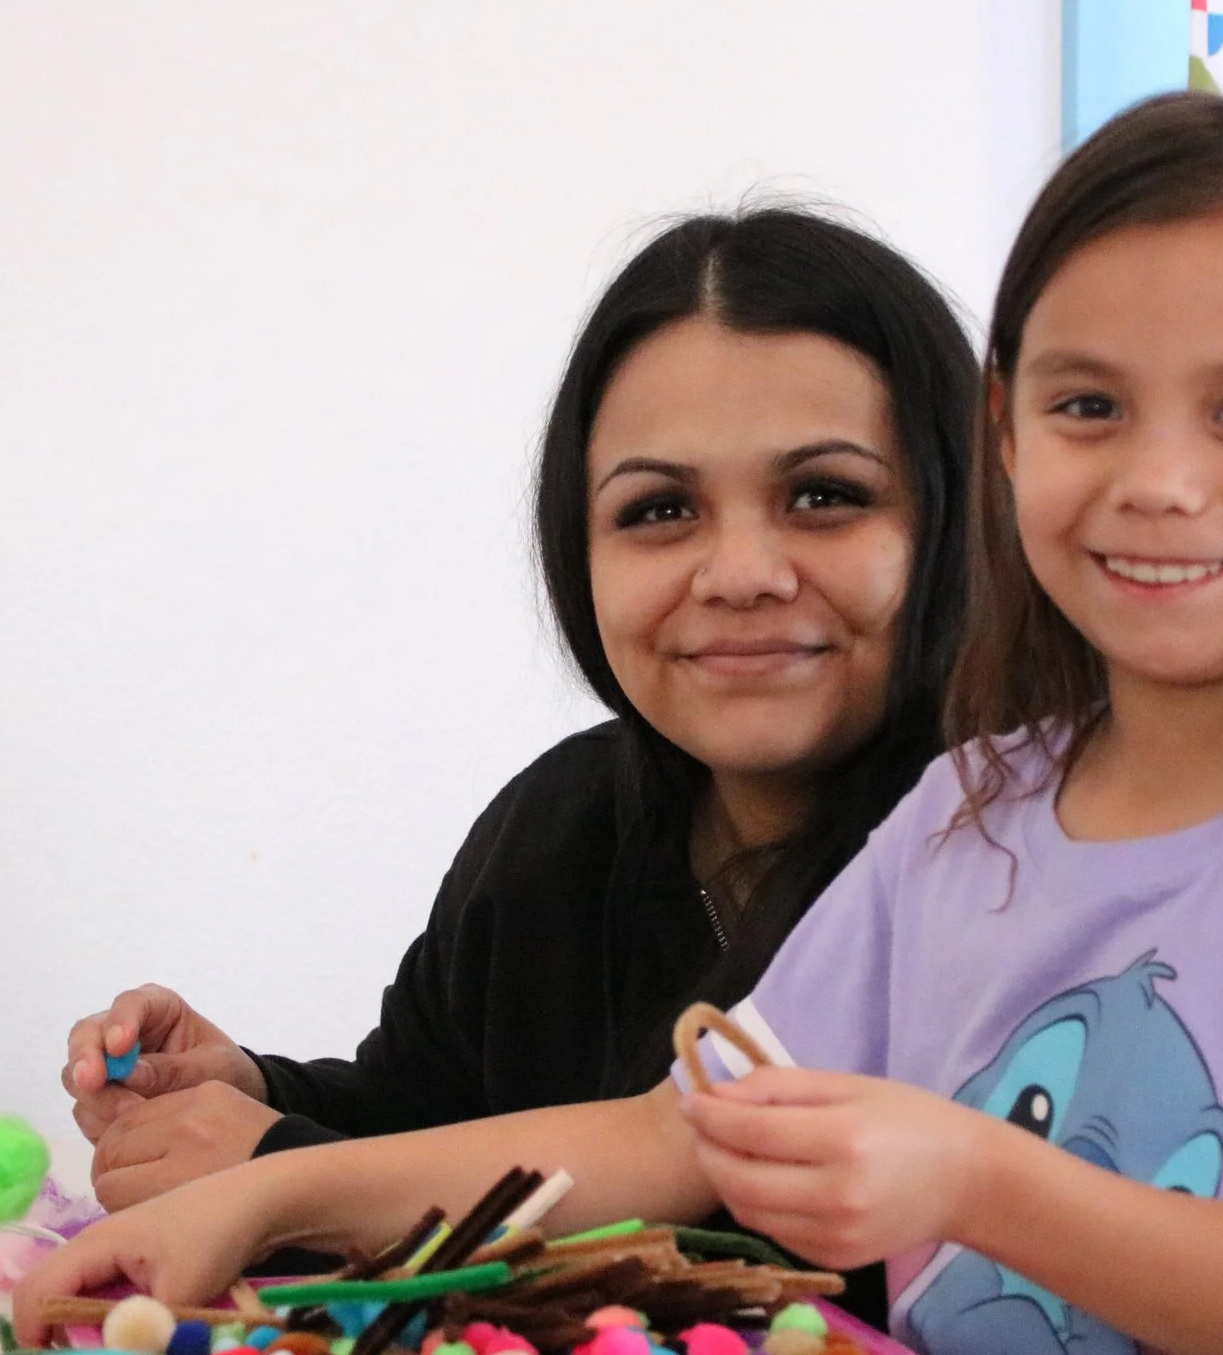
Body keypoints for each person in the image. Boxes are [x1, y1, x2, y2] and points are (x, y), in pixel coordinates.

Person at [17, 92, 1223, 1355]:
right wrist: (245, 1202)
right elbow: (674, 1135)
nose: (1159, 478)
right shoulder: (977, 807)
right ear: (1005, 433)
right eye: (1090, 405)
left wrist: (969, 1170)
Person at [57, 208, 979, 1233]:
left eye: (822, 494)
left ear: (960, 516)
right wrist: (254, 1096)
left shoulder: (1011, 853)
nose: (741, 575)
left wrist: (275, 1169)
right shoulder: (560, 821)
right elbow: (423, 1121)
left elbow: (749, 1256)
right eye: (660, 510)